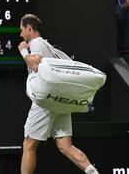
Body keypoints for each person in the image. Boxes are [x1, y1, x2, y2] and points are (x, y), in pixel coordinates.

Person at [18, 14, 99, 174]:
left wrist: (23, 51)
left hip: (47, 101)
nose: (21, 34)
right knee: (65, 145)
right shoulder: (48, 46)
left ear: (29, 28)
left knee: (29, 145)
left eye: (22, 30)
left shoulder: (36, 42)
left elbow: (35, 64)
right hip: (60, 101)